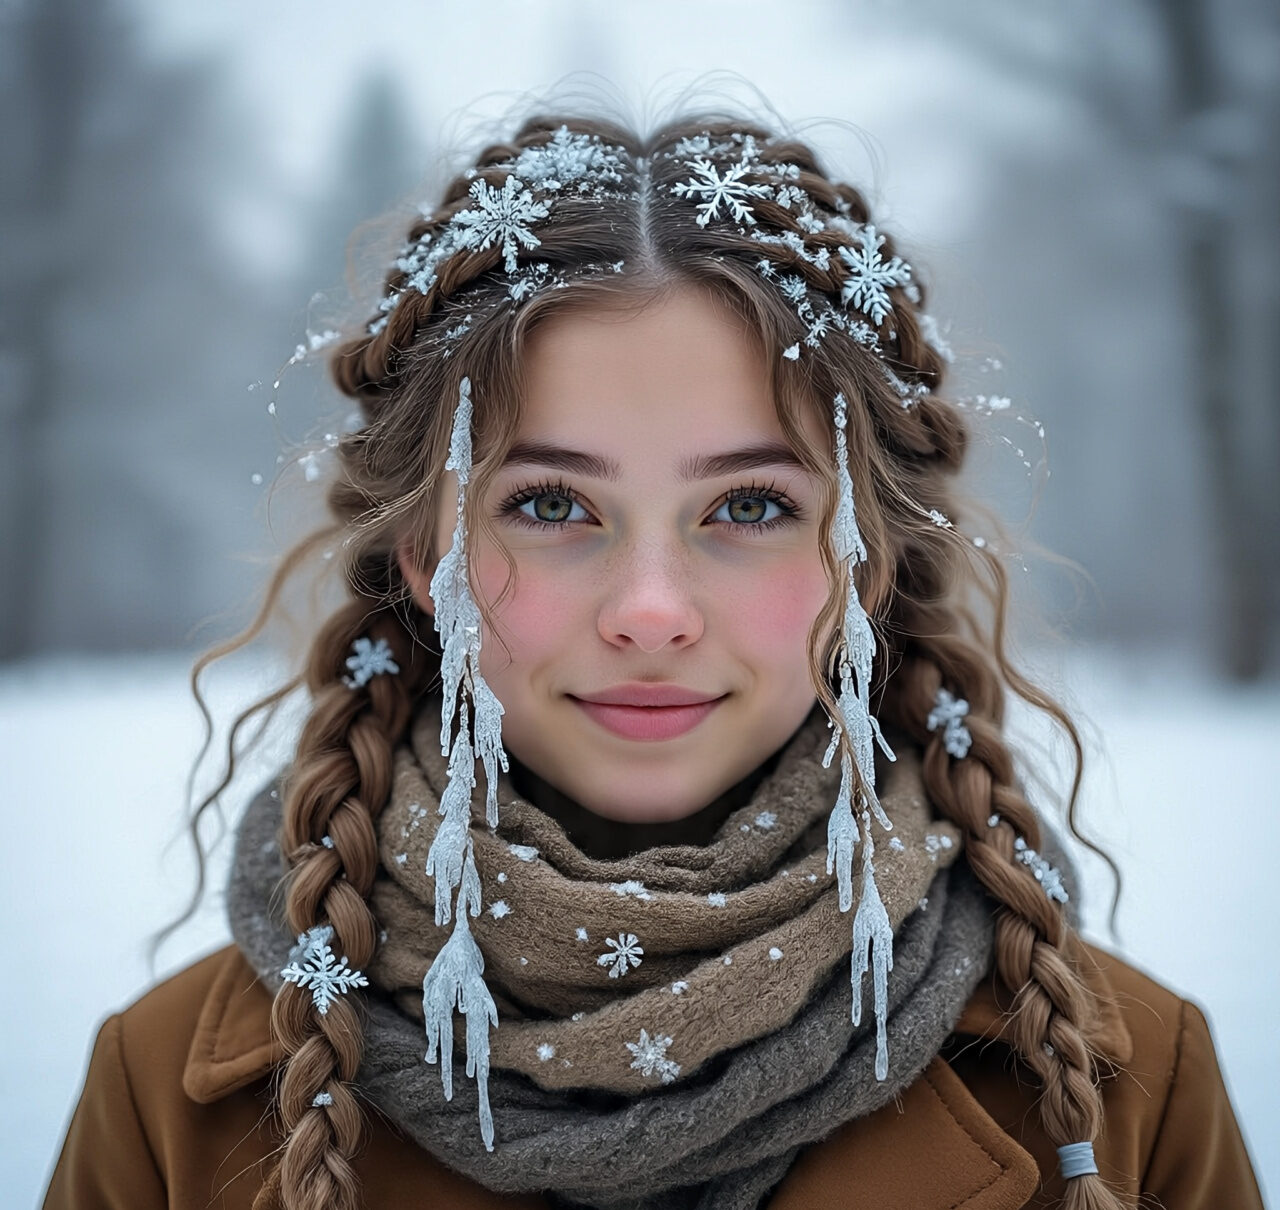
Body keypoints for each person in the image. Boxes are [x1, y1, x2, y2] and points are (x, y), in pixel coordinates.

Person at [43, 110, 1264, 1210]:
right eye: (550, 505)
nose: (648, 612)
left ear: (869, 566)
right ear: (427, 558)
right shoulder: (168, 1100)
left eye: (745, 508)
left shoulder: (1127, 1088)